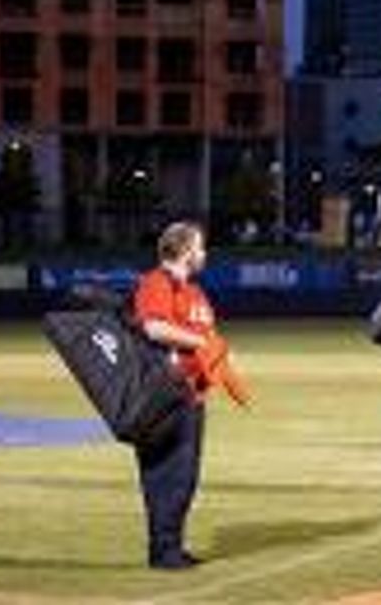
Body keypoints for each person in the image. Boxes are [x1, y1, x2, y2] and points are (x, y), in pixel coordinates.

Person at [132, 221, 248, 570]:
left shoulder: (195, 293)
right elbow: (154, 327)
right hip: (163, 396)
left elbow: (208, 340)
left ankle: (171, 546)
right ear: (183, 250)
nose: (204, 253)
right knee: (166, 475)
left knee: (185, 476)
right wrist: (201, 342)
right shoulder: (156, 283)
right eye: (200, 247)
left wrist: (225, 373)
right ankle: (163, 551)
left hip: (192, 396)